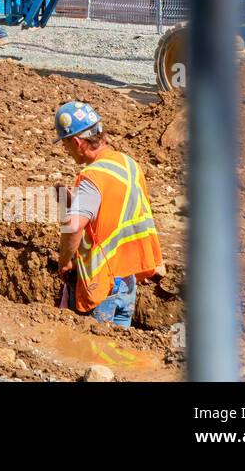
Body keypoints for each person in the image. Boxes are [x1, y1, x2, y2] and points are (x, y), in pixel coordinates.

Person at [52, 101, 165, 329]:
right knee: (115, 356)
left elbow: (74, 226)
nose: (67, 151)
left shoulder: (92, 176)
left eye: (66, 145)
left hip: (102, 287)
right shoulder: (129, 164)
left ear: (77, 142)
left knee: (89, 353)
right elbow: (116, 211)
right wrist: (72, 203)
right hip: (128, 283)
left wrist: (64, 262)